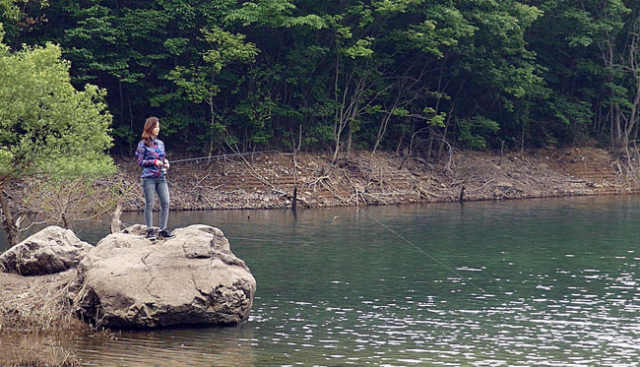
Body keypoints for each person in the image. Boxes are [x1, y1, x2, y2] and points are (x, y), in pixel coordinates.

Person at [135, 117, 175, 240]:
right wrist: (154, 162)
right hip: (149, 178)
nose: (158, 129)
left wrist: (166, 163)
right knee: (149, 204)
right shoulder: (142, 144)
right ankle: (150, 230)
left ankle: (163, 229)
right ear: (150, 128)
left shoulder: (160, 144)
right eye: (156, 127)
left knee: (166, 202)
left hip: (161, 177)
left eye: (158, 127)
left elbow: (163, 158)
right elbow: (140, 162)